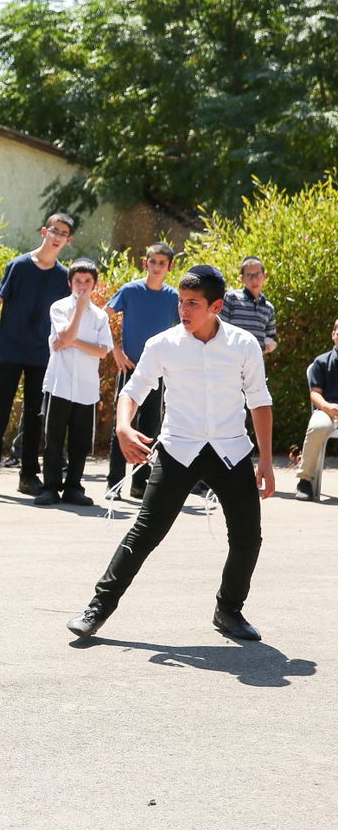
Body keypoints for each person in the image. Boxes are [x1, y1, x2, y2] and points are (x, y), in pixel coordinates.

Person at [66, 265, 274, 642]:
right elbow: (133, 390)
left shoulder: (244, 345)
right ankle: (97, 608)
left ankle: (229, 611)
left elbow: (259, 400)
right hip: (179, 448)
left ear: (216, 306)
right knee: (144, 533)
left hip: (231, 451)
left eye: (193, 303)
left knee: (248, 537)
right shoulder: (162, 344)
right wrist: (123, 426)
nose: (184, 310)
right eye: (181, 301)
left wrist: (265, 460)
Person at [0, 213, 74, 498]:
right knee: (0, 413)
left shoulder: (63, 277)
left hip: (42, 355)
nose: (57, 236)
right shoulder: (18, 265)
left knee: (33, 416)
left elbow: (69, 314)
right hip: (11, 350)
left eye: (63, 233)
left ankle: (28, 476)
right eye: (54, 230)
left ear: (69, 240)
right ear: (44, 231)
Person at [104, 242, 178, 499]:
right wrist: (115, 349)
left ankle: (139, 484)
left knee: (150, 428)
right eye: (152, 261)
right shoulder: (130, 290)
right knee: (122, 426)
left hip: (158, 372)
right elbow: (103, 316)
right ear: (145, 262)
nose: (156, 267)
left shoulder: (173, 298)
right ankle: (113, 485)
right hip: (130, 368)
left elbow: (184, 331)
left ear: (170, 266)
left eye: (162, 263)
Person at [36, 258, 112, 507]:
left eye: (87, 281)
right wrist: (79, 310)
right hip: (59, 383)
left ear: (94, 285)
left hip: (86, 387)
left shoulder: (100, 316)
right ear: (69, 282)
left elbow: (102, 351)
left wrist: (75, 343)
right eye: (77, 281)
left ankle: (73, 487)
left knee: (80, 442)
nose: (82, 286)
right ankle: (50, 487)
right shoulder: (59, 308)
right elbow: (63, 336)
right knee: (53, 439)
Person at [295, 318, 338, 502]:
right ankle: (305, 480)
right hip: (327, 410)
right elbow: (315, 394)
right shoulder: (321, 362)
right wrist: (328, 407)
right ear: (334, 335)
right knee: (318, 427)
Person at [220, 256, 278, 354]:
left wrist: (270, 344)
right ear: (242, 278)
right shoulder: (232, 298)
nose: (254, 280)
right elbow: (219, 327)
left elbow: (271, 336)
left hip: (256, 362)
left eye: (257, 275)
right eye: (249, 275)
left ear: (264, 276)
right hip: (232, 359)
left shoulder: (268, 308)